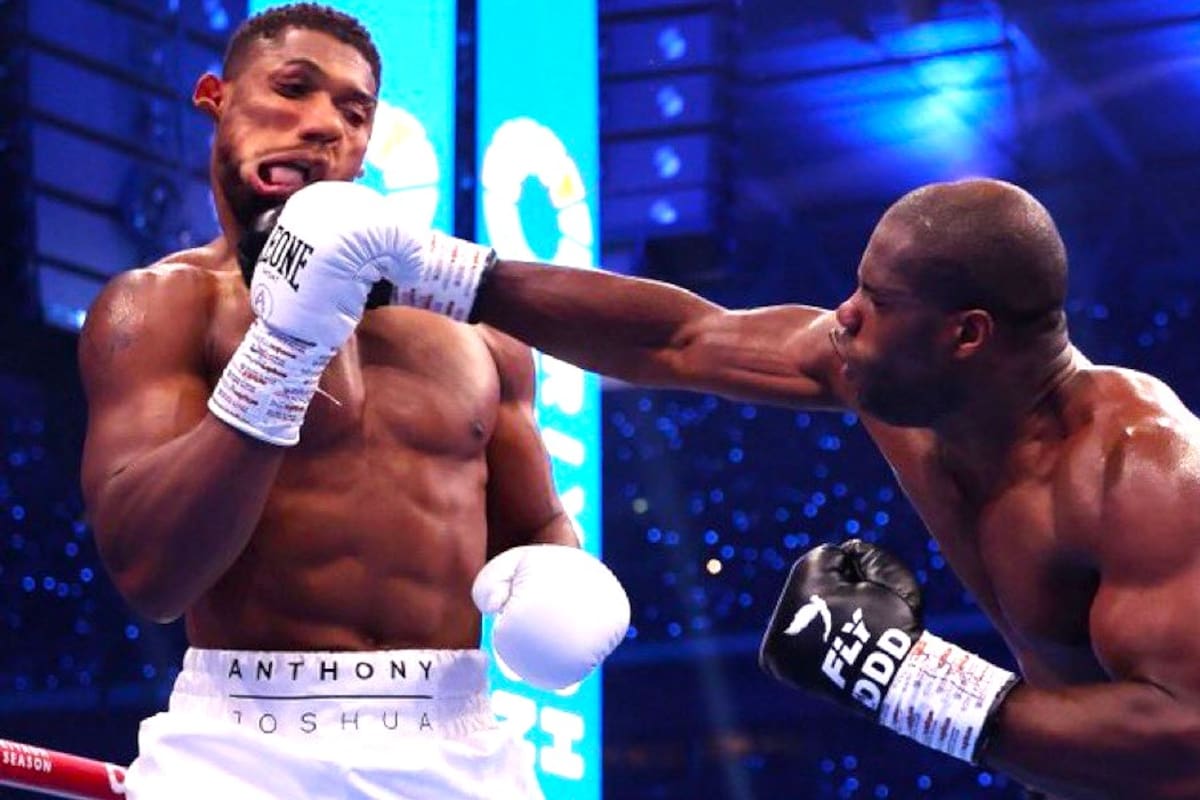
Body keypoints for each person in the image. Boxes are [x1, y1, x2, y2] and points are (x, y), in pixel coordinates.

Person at [331, 175, 1199, 798]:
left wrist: (912, 683)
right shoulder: (888, 378)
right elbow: (680, 339)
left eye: (876, 301)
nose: (844, 317)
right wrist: (441, 274)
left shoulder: (1139, 472)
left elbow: (1186, 741)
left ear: (966, 335)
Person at [77, 4, 629, 799]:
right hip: (239, 748)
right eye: (293, 88)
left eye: (353, 110)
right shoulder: (160, 307)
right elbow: (151, 576)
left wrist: (564, 576)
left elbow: (533, 523)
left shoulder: (476, 332)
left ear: (368, 145)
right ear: (215, 96)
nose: (320, 124)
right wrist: (285, 350)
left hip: (459, 743)